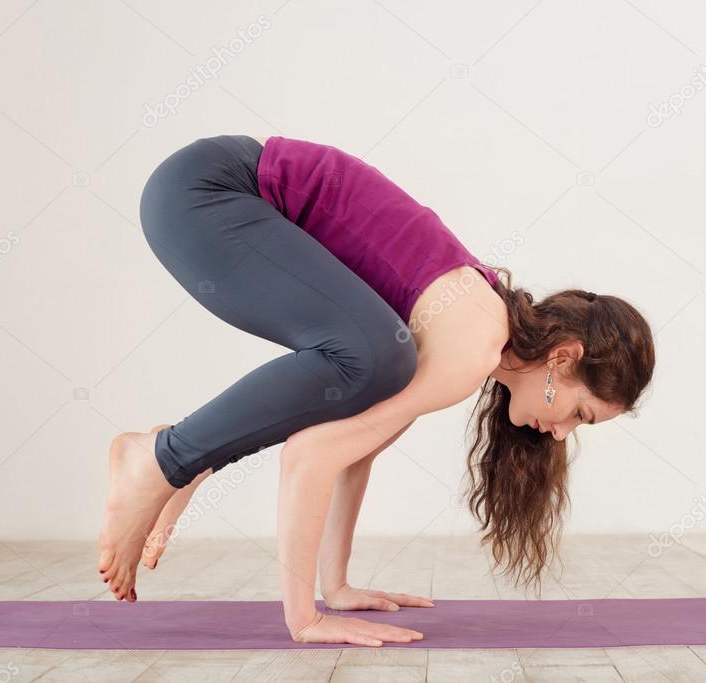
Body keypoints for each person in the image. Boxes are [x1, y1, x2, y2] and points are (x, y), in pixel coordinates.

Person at [97, 134, 655, 646]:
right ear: (563, 358)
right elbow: (309, 457)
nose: (560, 436)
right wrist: (306, 618)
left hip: (203, 191)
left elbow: (354, 450)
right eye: (579, 414)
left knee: (377, 361)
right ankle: (164, 457)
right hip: (208, 193)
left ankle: (182, 453)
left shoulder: (473, 335)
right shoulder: (474, 345)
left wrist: (335, 586)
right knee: (375, 355)